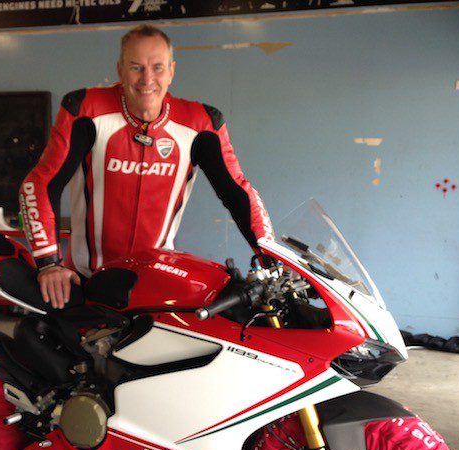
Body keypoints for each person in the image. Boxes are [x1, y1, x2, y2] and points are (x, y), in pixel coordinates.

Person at [19, 24, 273, 309]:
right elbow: (40, 183)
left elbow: (238, 193)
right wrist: (48, 263)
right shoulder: (85, 110)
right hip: (85, 282)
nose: (147, 79)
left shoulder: (201, 123)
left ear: (172, 71)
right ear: (120, 70)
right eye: (136, 67)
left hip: (153, 286)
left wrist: (273, 258)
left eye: (158, 67)